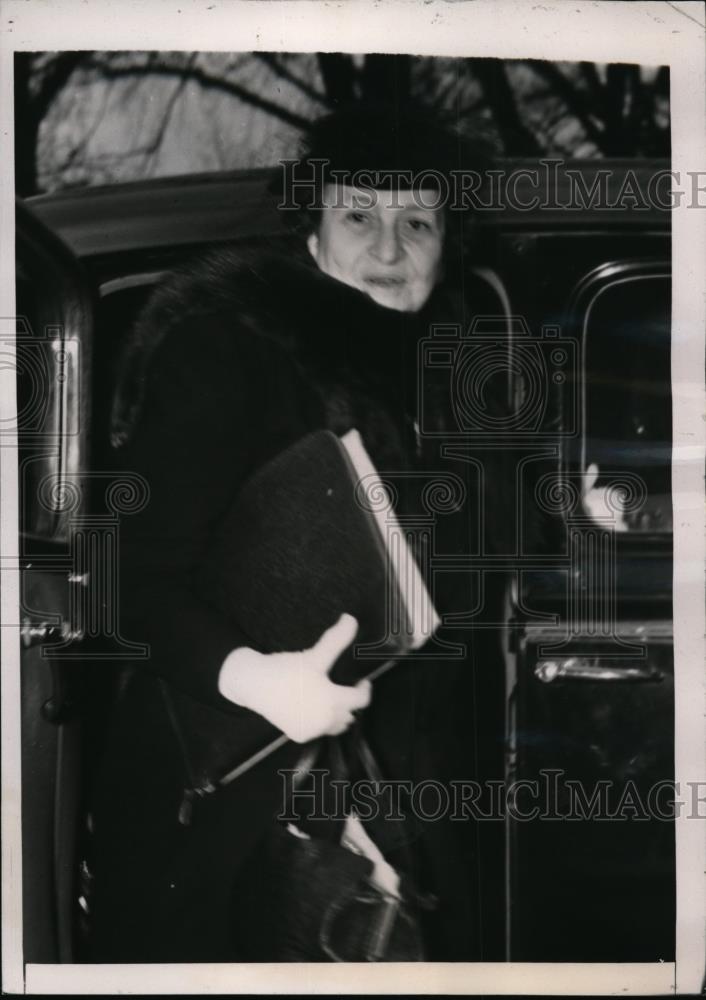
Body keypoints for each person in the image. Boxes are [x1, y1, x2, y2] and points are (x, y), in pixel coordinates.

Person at [87, 102, 502, 962]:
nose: (388, 250)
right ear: (312, 230)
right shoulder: (230, 347)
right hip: (237, 795)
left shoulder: (451, 374)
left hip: (398, 789)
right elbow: (126, 570)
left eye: (416, 222)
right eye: (359, 215)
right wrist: (257, 679)